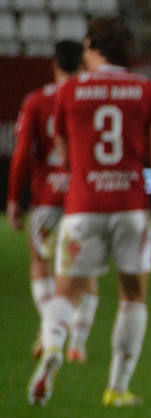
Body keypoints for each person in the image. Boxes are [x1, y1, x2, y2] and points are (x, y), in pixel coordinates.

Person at [28, 18, 151, 408]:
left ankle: (55, 346)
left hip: (83, 205)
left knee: (67, 289)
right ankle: (117, 388)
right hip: (129, 206)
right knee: (133, 294)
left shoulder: (70, 91)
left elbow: (62, 146)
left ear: (93, 48)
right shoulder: (150, 92)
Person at [7, 41, 98, 364]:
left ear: (54, 64)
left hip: (46, 197)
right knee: (84, 270)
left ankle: (49, 330)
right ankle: (77, 344)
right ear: (83, 65)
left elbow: (22, 156)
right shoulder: (90, 98)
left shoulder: (36, 101)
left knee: (41, 263)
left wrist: (15, 200)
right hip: (82, 198)